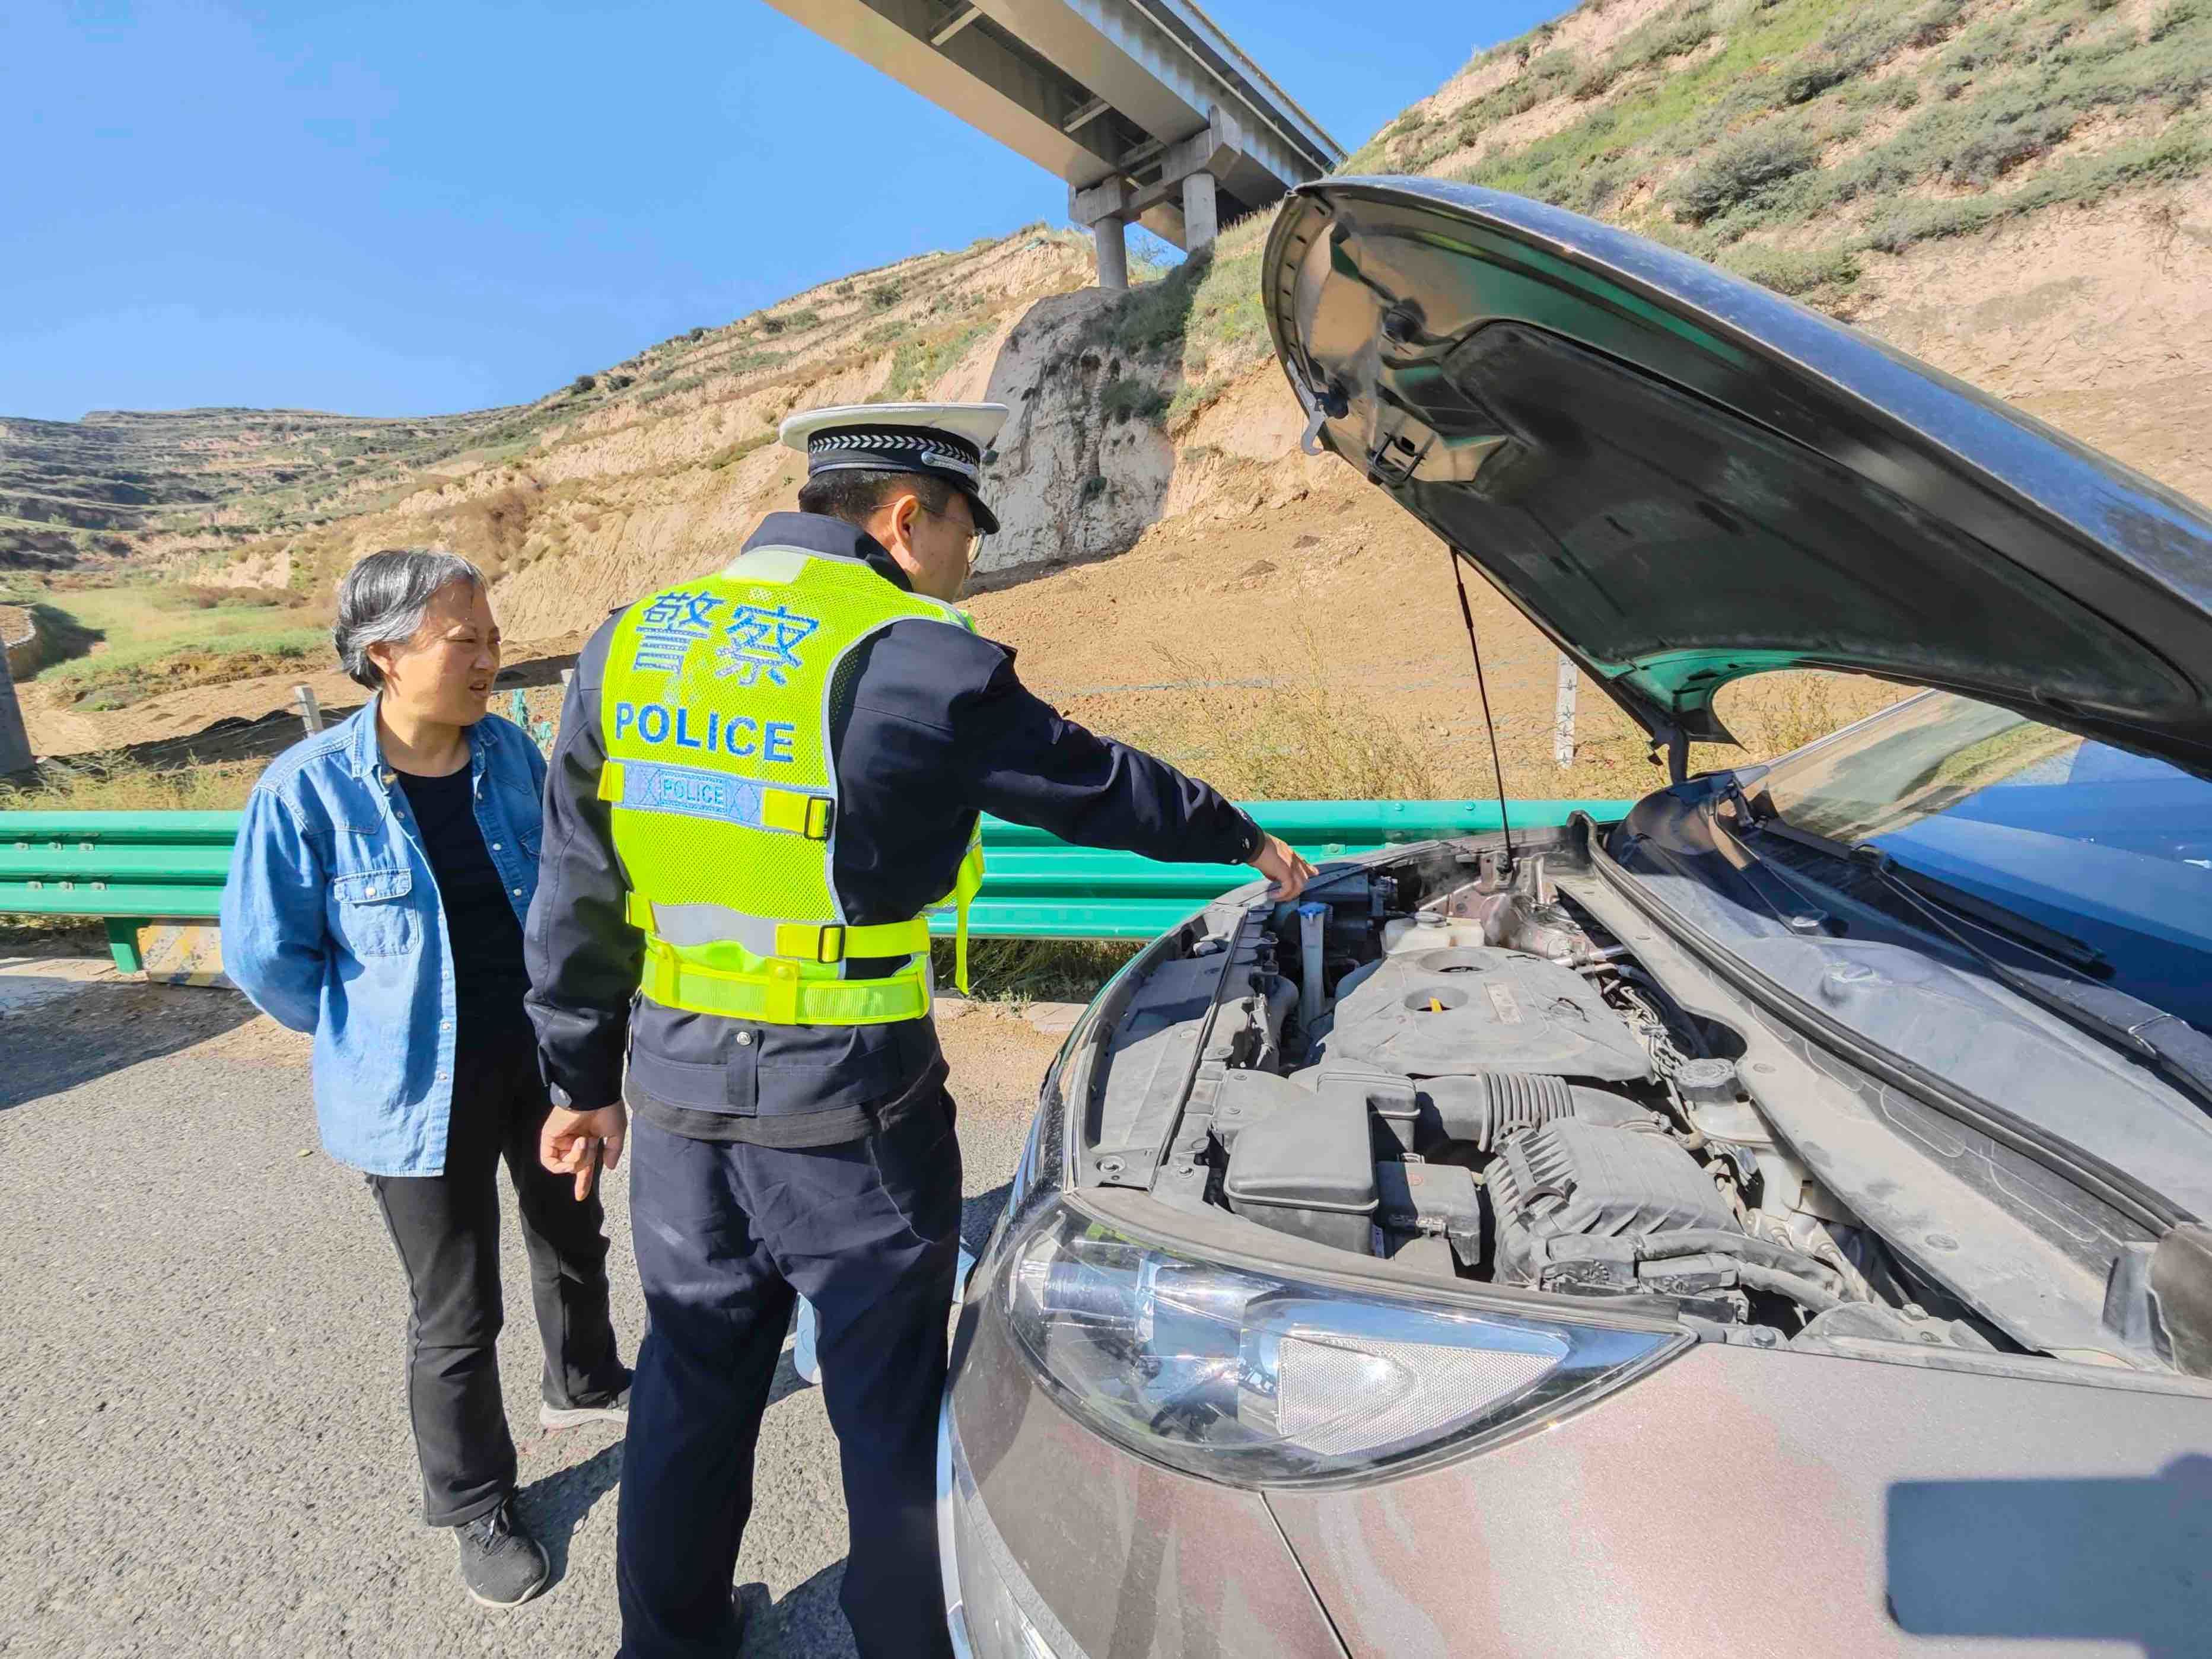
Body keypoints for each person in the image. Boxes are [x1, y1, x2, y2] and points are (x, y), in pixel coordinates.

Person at [525, 400, 1314, 1659]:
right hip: (848, 1097)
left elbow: (576, 882)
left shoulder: (633, 640)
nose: (968, 562)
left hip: (674, 1084)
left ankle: (666, 1642)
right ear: (904, 519)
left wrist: (578, 1075)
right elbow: (1088, 779)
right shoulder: (912, 650)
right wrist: (1231, 834)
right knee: (885, 1402)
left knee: (691, 1369)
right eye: (964, 531)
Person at [222, 549, 632, 1610]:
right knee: (456, 1310)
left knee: (574, 1230)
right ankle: (474, 1502)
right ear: (385, 654)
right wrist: (365, 1035)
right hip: (413, 1083)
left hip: (539, 1057)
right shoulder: (307, 789)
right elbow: (268, 956)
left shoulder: (509, 754)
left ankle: (583, 1378)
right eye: (466, 641)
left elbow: (565, 890)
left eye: (492, 638)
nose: (490, 658)